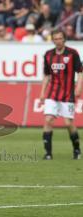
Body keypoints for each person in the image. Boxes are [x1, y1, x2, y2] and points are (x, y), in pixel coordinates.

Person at [39, 29, 83, 160]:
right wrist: (42, 92)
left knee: (68, 123)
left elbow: (80, 72)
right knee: (48, 120)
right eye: (55, 39)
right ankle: (48, 153)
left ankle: (76, 149)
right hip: (52, 93)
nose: (58, 41)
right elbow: (47, 75)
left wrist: (79, 87)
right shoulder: (48, 55)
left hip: (68, 94)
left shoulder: (72, 53)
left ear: (64, 39)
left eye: (60, 38)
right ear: (52, 40)